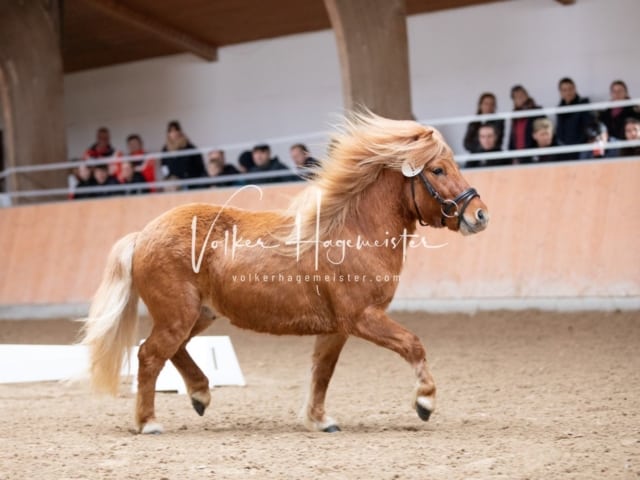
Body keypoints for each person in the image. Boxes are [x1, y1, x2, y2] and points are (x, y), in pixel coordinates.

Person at [161, 120, 206, 188]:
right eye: (171, 131)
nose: (174, 133)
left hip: (189, 181)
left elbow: (199, 165)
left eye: (176, 130)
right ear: (168, 134)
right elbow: (164, 166)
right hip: (173, 183)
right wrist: (168, 177)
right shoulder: (165, 150)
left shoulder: (189, 147)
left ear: (180, 131)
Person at [555, 77, 594, 147]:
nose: (568, 92)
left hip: (581, 148)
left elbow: (588, 127)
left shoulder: (584, 104)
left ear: (575, 89)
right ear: (560, 92)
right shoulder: (559, 109)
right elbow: (559, 131)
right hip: (564, 149)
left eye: (570, 89)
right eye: (564, 90)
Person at [508, 85, 543, 157]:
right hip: (519, 156)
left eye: (522, 95)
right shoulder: (514, 116)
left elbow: (543, 134)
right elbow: (512, 139)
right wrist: (511, 156)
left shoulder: (537, 112)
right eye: (516, 97)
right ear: (514, 101)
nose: (520, 98)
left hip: (534, 155)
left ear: (526, 95)